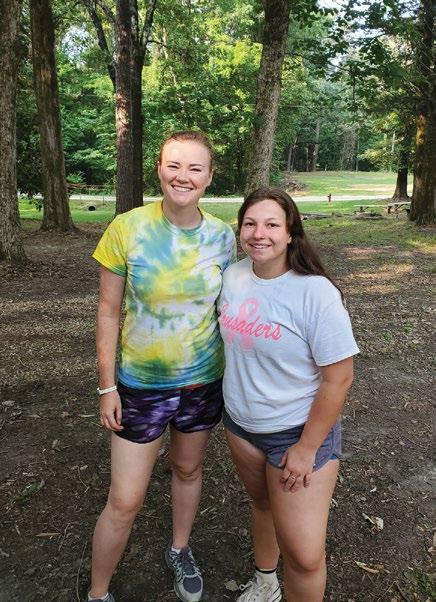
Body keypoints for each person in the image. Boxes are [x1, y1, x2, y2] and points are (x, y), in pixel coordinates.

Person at [88, 130, 236, 602]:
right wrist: (106, 387)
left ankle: (180, 549)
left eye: (195, 168)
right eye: (174, 165)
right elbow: (108, 311)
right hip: (140, 387)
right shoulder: (127, 228)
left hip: (202, 383)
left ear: (209, 177)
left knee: (188, 471)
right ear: (159, 169)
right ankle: (97, 592)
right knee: (125, 499)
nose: (182, 176)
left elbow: (231, 308)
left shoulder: (223, 237)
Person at [218, 187, 359, 602]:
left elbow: (339, 379)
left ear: (291, 232)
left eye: (271, 225)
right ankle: (265, 583)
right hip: (241, 426)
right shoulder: (232, 277)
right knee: (262, 505)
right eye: (250, 223)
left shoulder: (315, 293)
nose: (258, 233)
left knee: (304, 557)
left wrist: (306, 448)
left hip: (295, 434)